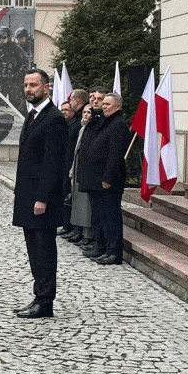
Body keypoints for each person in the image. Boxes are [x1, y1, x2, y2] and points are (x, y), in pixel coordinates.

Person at [11, 68, 67, 319]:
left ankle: (45, 301)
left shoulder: (53, 118)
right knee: (34, 249)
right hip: (29, 195)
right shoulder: (33, 116)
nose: (28, 90)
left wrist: (42, 198)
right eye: (25, 85)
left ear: (46, 88)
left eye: (33, 85)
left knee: (44, 250)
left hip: (42, 200)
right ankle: (38, 296)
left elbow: (53, 164)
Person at [78, 92, 129, 265]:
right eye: (104, 104)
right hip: (97, 178)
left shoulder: (119, 124)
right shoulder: (105, 121)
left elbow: (115, 155)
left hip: (109, 180)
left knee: (111, 216)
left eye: (108, 104)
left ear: (117, 106)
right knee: (100, 215)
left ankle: (113, 252)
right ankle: (103, 247)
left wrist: (108, 178)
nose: (104, 106)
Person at [75, 86, 110, 255]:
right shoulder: (92, 120)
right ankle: (97, 242)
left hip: (100, 176)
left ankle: (103, 246)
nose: (94, 101)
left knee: (102, 214)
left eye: (99, 99)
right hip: (90, 175)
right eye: (92, 98)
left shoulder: (107, 122)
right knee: (95, 213)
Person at [59, 89, 88, 240]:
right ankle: (70, 226)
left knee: (77, 200)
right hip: (68, 164)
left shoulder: (78, 121)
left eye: (70, 102)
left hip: (75, 165)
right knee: (69, 198)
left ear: (76, 101)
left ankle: (78, 230)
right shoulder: (74, 120)